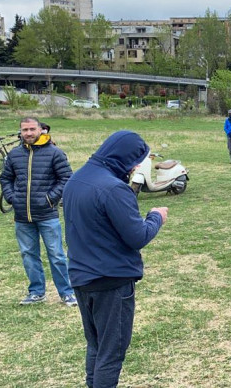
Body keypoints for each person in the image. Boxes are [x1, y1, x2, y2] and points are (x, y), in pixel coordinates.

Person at [63, 130, 167, 388]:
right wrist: (156, 216)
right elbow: (137, 236)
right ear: (125, 158)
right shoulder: (114, 189)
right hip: (111, 281)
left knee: (96, 346)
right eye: (135, 162)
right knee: (110, 353)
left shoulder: (76, 180)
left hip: (81, 277)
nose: (134, 168)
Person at [0, 117, 76, 306]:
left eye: (32, 129)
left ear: (41, 130)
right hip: (22, 217)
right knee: (28, 254)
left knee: (56, 255)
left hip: (47, 215)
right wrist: (12, 197)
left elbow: (66, 178)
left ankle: (66, 292)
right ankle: (36, 292)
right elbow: (5, 178)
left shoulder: (55, 153)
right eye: (24, 130)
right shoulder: (14, 154)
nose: (28, 133)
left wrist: (50, 199)